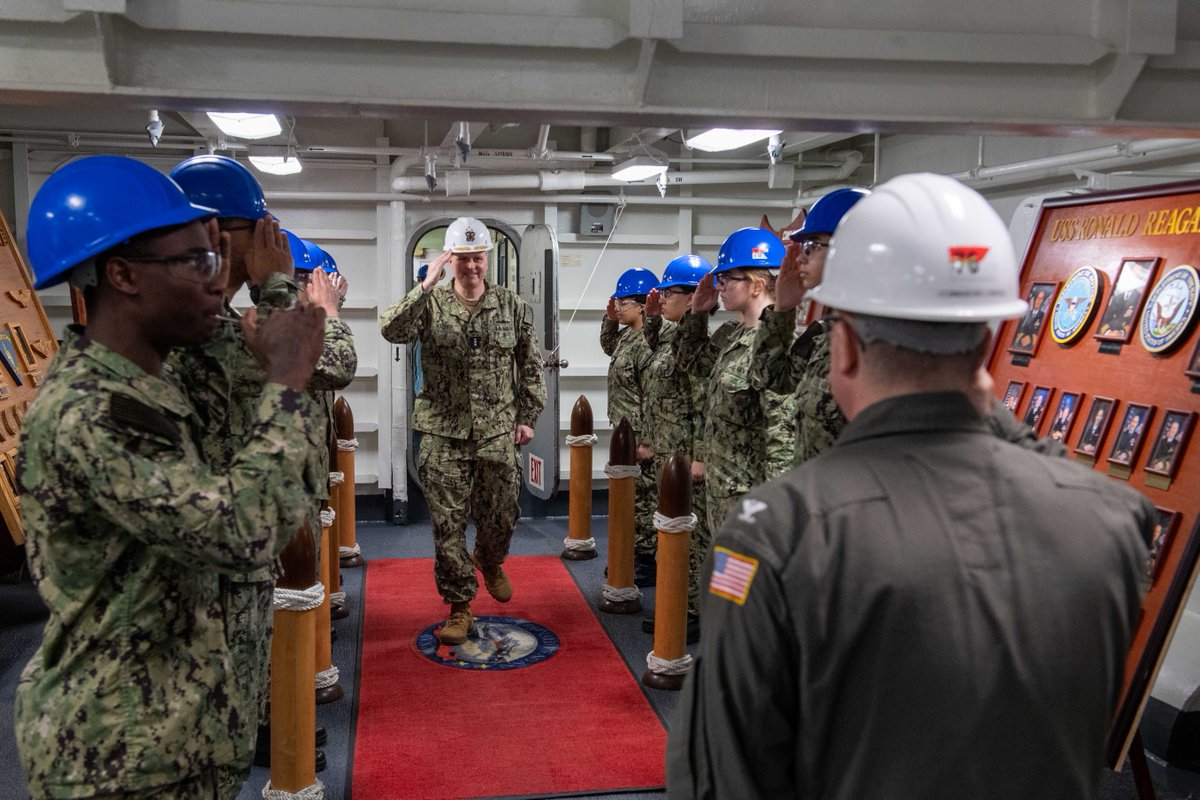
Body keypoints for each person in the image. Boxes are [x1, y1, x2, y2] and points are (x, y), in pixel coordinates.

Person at [668, 173, 1152, 800]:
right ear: (985, 339)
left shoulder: (770, 538)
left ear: (843, 351)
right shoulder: (1112, 523)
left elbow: (721, 774)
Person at [15, 155, 328, 799]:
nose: (217, 282)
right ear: (123, 275)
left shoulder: (147, 387)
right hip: (119, 756)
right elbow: (241, 533)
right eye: (196, 262)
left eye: (217, 255)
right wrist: (288, 381)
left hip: (175, 732)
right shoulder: (92, 412)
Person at [169, 154, 354, 785]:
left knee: (247, 668)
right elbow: (315, 360)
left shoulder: (220, 319)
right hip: (229, 531)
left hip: (250, 525)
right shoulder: (206, 327)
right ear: (218, 237)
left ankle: (265, 728)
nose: (272, 245)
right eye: (260, 232)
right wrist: (291, 294)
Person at [379, 217, 546, 645]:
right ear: (450, 260)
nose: (472, 267)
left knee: (503, 513)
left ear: (486, 258)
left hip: (497, 431)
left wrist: (527, 416)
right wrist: (424, 285)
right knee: (446, 524)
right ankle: (459, 605)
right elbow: (390, 330)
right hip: (442, 431)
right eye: (463, 259)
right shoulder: (430, 304)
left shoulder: (513, 306)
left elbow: (531, 366)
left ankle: (489, 559)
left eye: (478, 258)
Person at [675, 228, 795, 535]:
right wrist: (697, 313)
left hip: (751, 499)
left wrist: (774, 509)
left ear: (757, 284)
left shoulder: (777, 344)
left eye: (728, 278)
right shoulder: (732, 334)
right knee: (726, 579)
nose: (720, 286)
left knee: (746, 581)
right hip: (723, 489)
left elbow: (781, 437)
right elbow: (690, 362)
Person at [750, 187, 868, 465]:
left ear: (851, 247)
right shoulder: (827, 330)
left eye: (813, 246)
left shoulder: (882, 341)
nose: (801, 258)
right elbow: (771, 379)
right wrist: (783, 308)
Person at [640, 255, 713, 641]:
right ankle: (674, 604)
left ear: (693, 298)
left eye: (670, 293)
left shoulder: (701, 343)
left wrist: (699, 456)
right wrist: (652, 316)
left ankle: (692, 611)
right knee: (669, 534)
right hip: (667, 451)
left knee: (692, 538)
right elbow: (656, 349)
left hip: (686, 456)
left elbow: (704, 402)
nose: (662, 298)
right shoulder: (675, 334)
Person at [601, 267, 658, 586]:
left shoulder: (649, 343)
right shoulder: (626, 337)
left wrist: (646, 440)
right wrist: (609, 317)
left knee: (643, 499)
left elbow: (653, 395)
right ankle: (629, 554)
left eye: (623, 303)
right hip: (624, 431)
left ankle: (645, 562)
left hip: (640, 434)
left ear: (640, 306)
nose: (618, 307)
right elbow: (608, 345)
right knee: (628, 498)